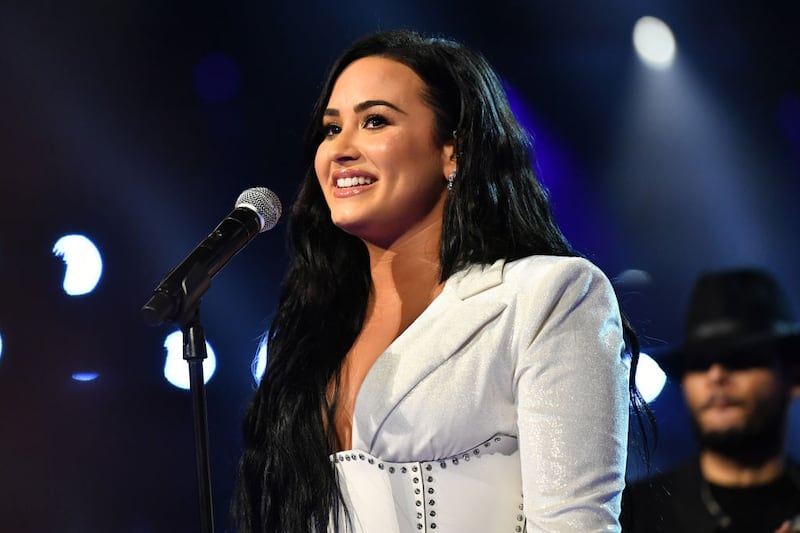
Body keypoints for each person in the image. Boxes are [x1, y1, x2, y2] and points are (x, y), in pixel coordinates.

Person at [230, 28, 648, 532]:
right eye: (331, 129)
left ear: (454, 151)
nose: (339, 149)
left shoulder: (549, 295)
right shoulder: (309, 335)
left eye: (375, 121)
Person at [621, 267, 800, 533]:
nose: (716, 375)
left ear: (793, 378)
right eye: (699, 363)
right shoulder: (631, 516)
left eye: (740, 359)